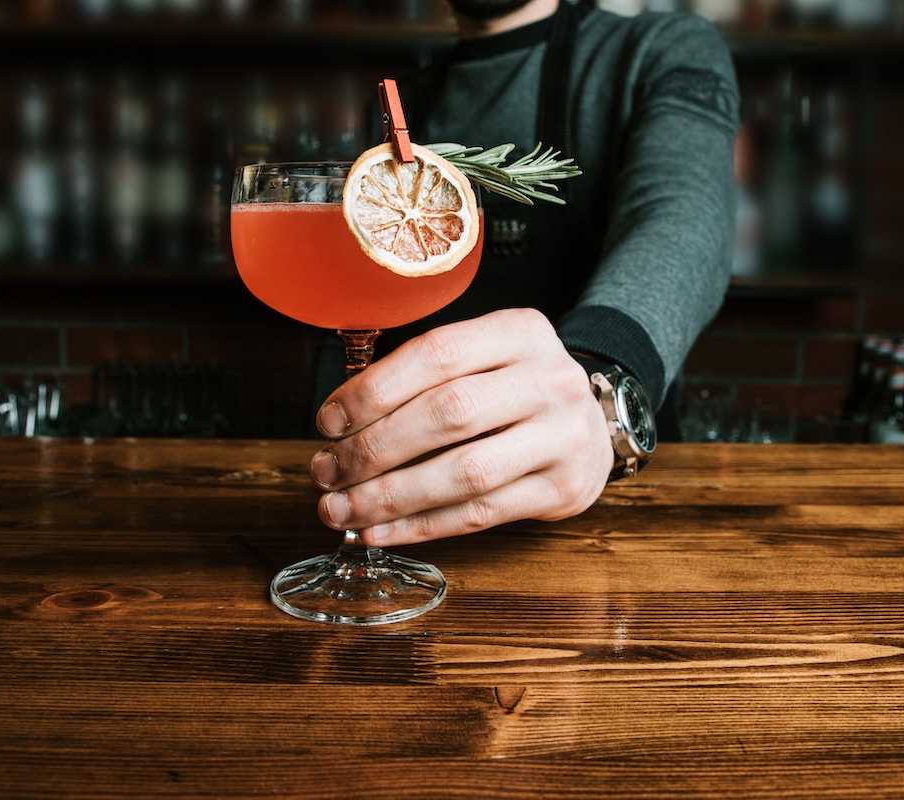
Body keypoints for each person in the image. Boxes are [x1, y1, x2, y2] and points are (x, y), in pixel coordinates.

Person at [309, 0, 740, 547]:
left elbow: (681, 217)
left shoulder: (661, 51)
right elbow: (354, 294)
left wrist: (597, 386)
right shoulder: (397, 104)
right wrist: (336, 456)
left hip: (616, 521)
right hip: (404, 517)